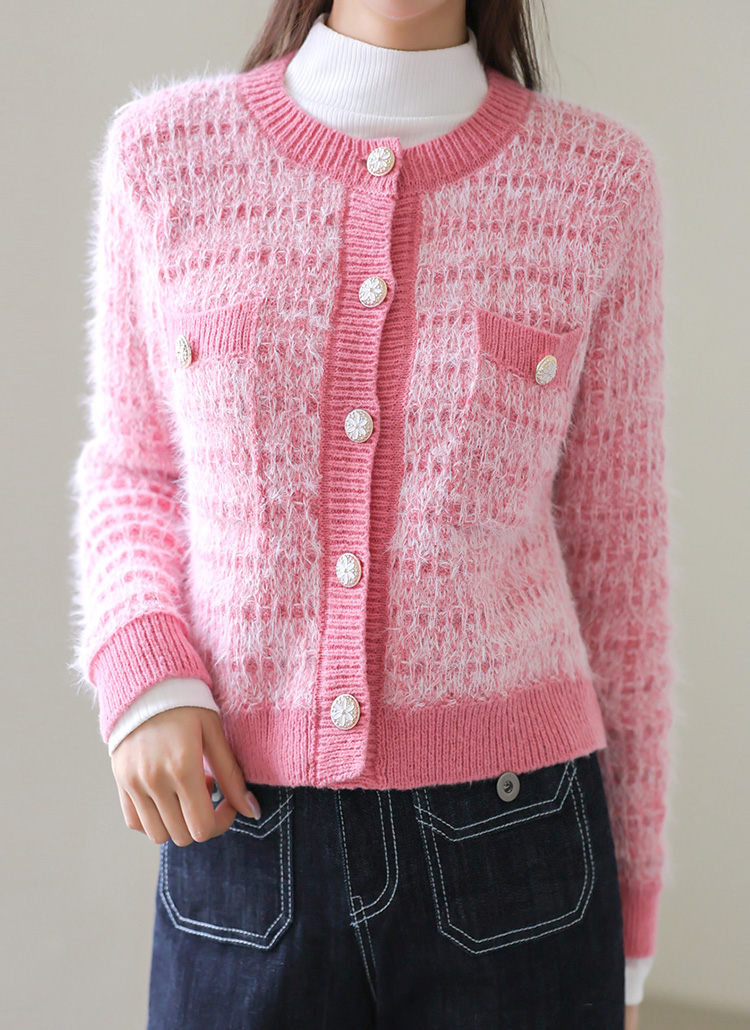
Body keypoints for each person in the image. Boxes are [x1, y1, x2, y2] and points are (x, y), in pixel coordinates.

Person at [69, 1, 675, 1027]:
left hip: (519, 852)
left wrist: (637, 896)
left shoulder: (597, 183)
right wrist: (145, 673)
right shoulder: (165, 155)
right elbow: (134, 469)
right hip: (242, 831)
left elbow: (621, 559)